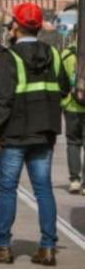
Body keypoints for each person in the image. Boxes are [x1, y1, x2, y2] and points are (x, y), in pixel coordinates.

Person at [0, 2, 70, 266]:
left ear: (16, 26)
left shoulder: (10, 57)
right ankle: (48, 247)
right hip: (44, 134)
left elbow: (3, 99)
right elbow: (63, 88)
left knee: (7, 188)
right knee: (43, 189)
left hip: (15, 134)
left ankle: (2, 246)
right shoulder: (53, 53)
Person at [61, 32, 85, 195]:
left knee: (73, 143)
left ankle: (74, 180)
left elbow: (60, 80)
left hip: (71, 106)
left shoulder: (66, 53)